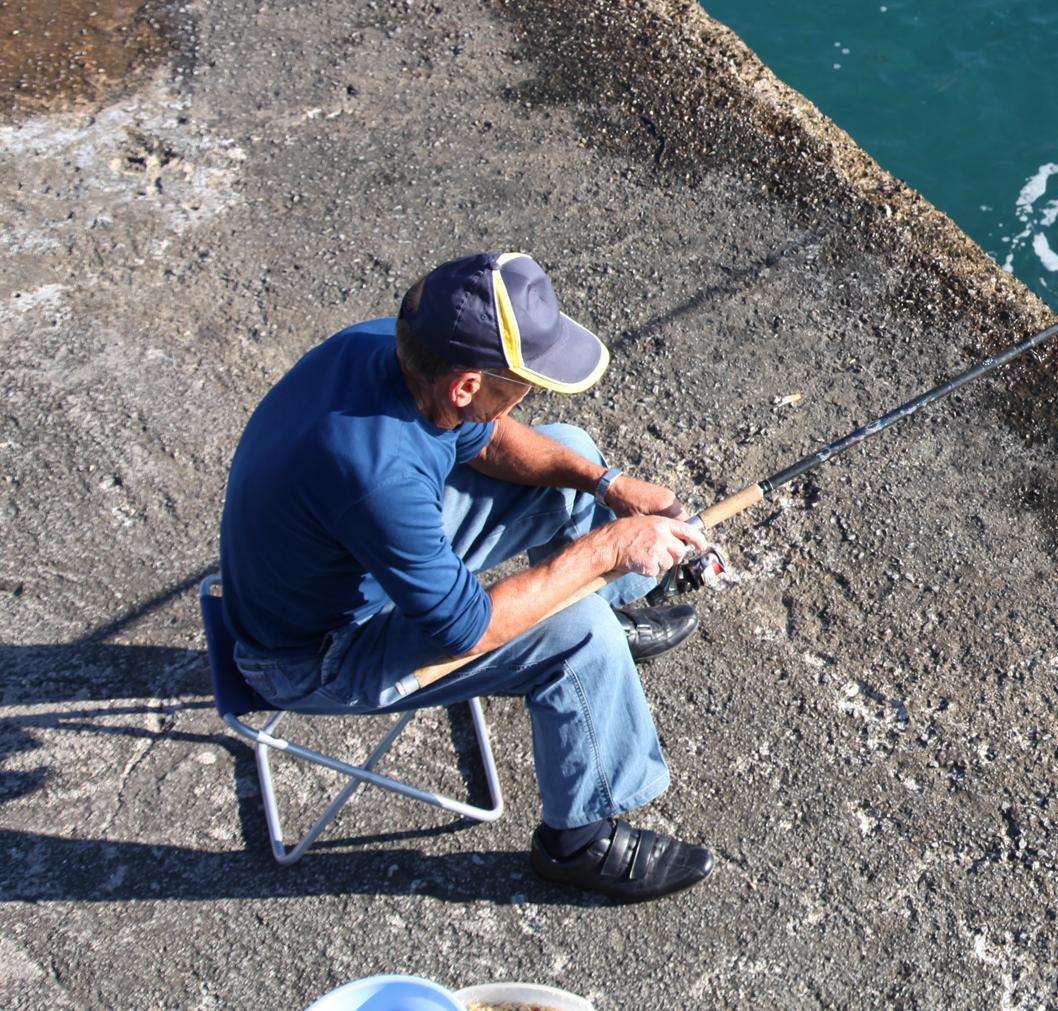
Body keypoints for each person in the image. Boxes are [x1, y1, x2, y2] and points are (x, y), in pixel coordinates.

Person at [218, 250, 718, 901]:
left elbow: (487, 437)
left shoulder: (396, 352)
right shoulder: (377, 473)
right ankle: (579, 841)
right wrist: (606, 552)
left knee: (573, 459)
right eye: (523, 381)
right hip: (314, 654)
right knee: (576, 633)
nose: (531, 394)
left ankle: (612, 620)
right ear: (463, 385)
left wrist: (607, 484)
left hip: (346, 562)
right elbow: (468, 629)